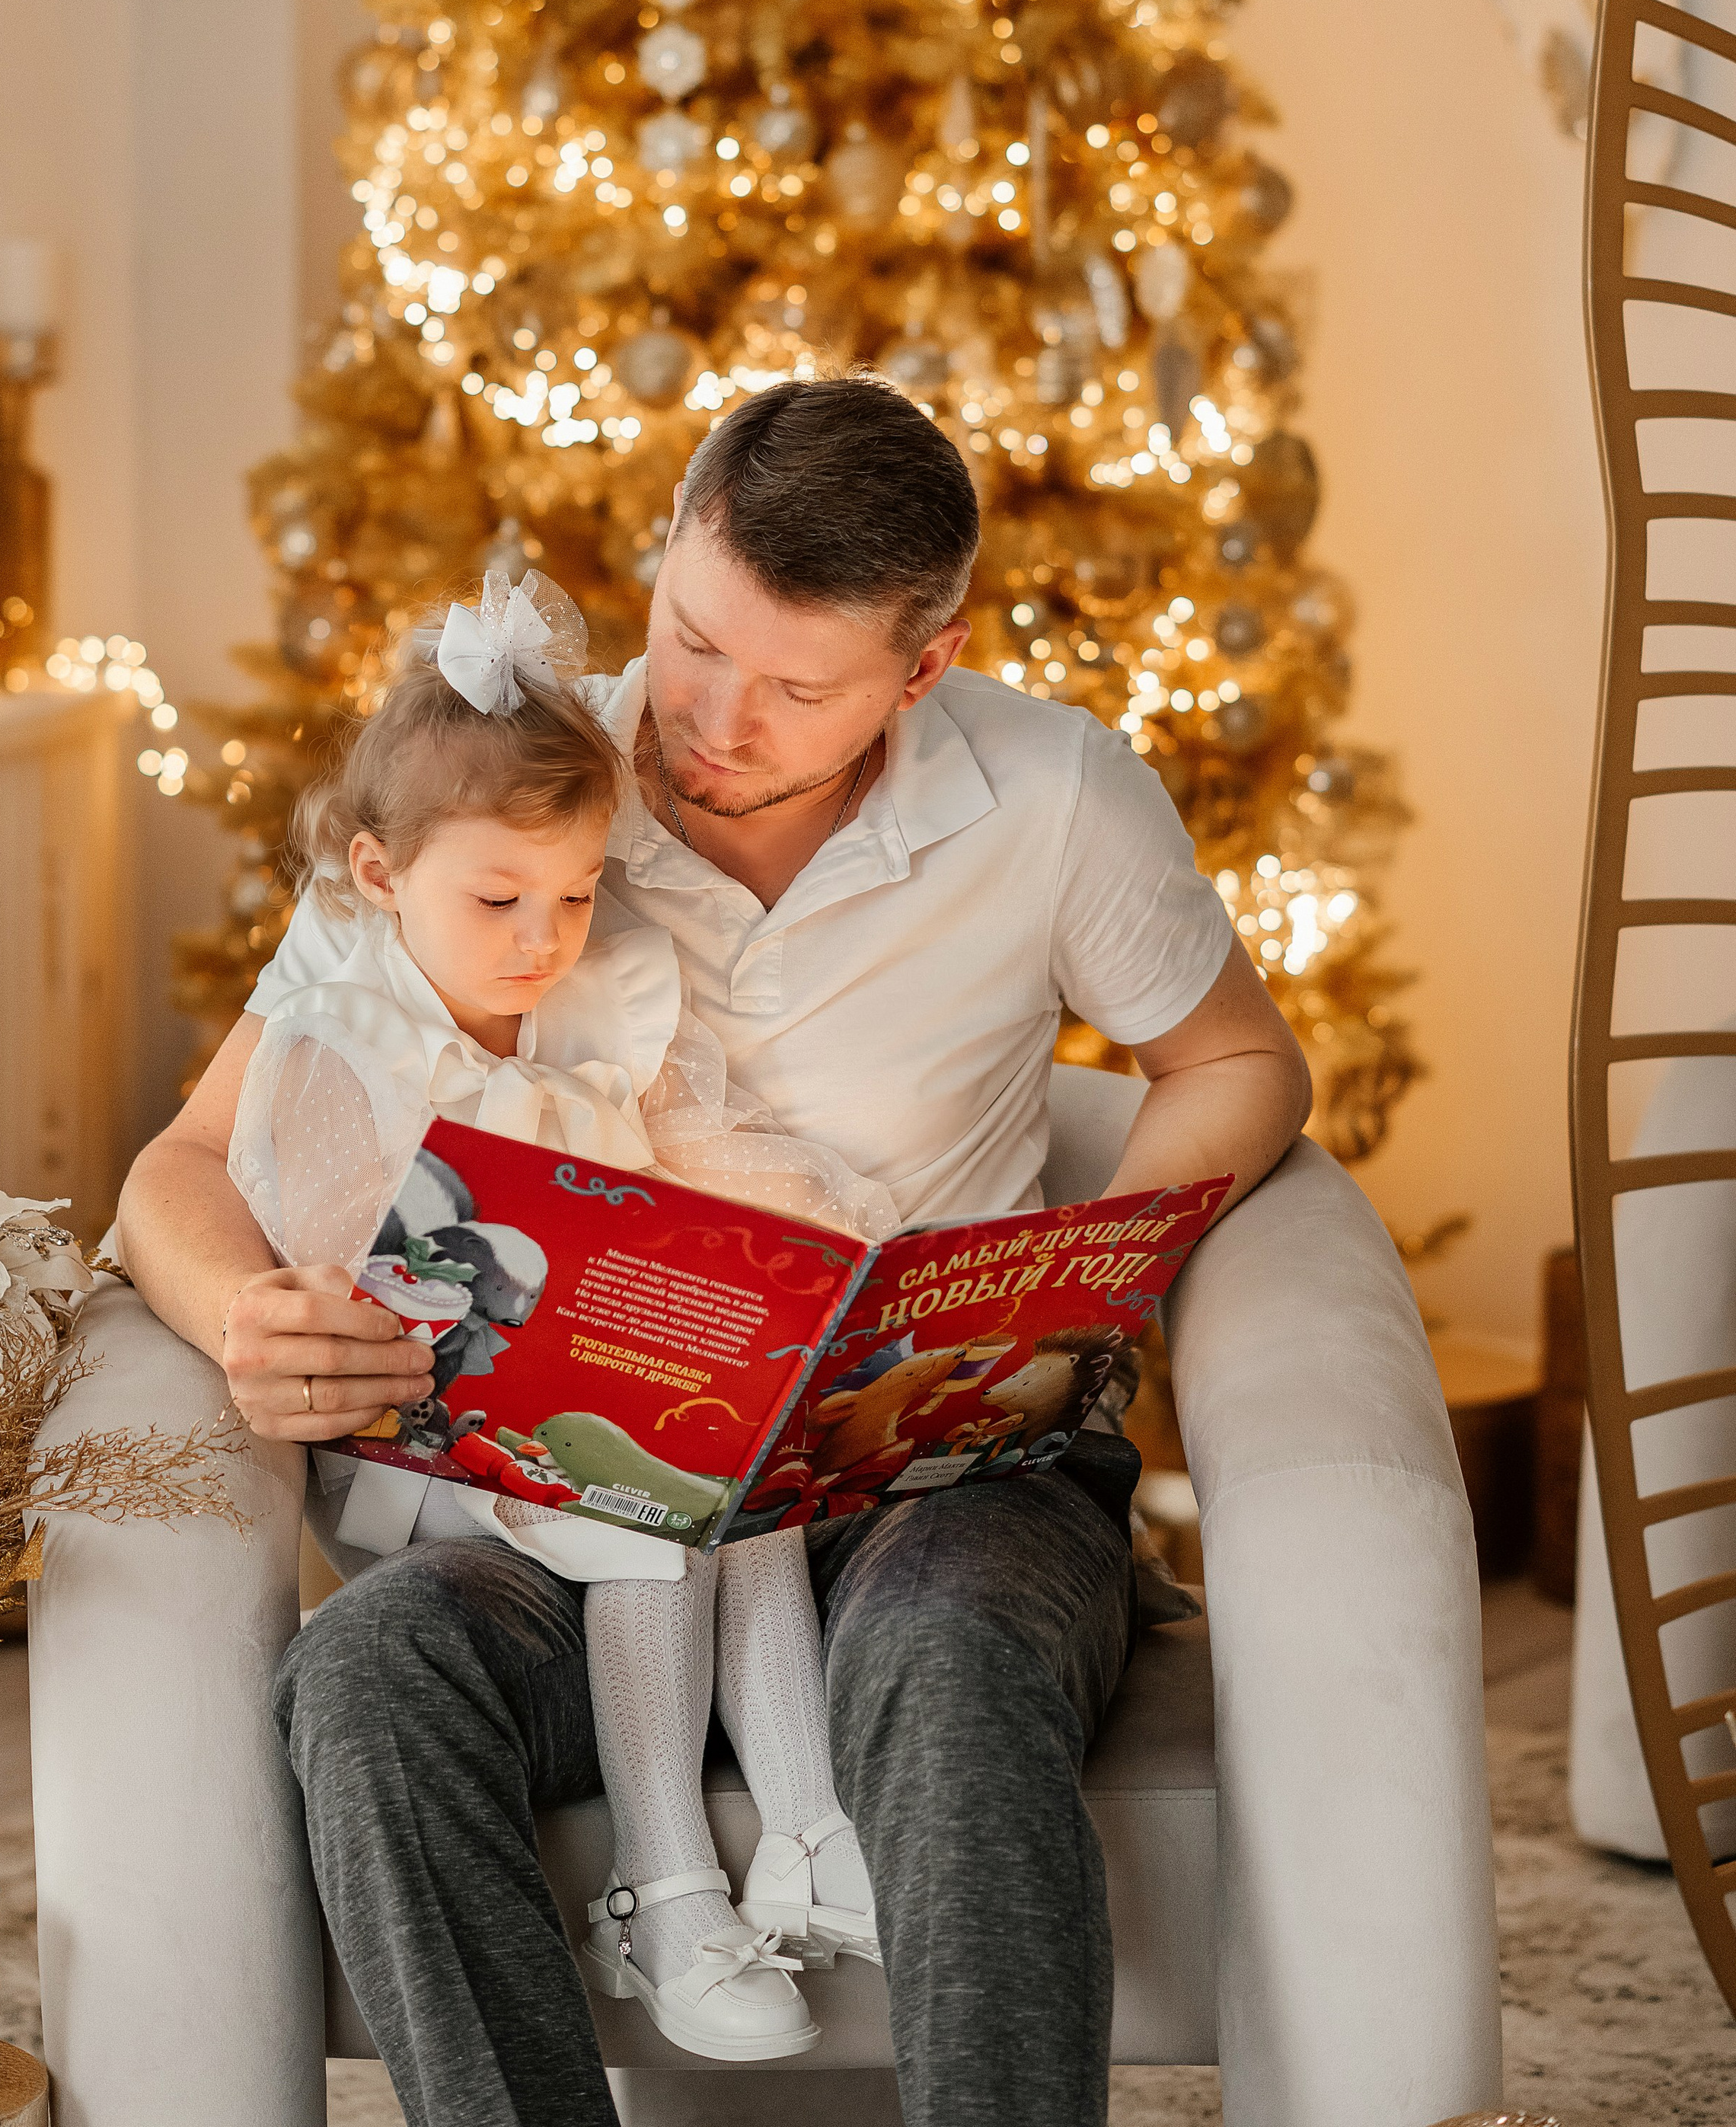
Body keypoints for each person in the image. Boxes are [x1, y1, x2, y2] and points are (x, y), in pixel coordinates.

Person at [118, 372, 1313, 2127]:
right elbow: (187, 1160)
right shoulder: (497, 790)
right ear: (668, 550)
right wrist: (247, 1312)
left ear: (920, 668)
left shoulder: (1053, 796)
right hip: (586, 1507)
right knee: (370, 1678)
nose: (711, 721)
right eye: (690, 643)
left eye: (793, 685)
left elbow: (1238, 1061)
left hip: (936, 1486)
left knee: (952, 1656)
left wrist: (1072, 1265)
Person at [222, 567, 890, 2065]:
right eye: (500, 900)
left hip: (576, 1398)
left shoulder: (590, 997)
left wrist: (795, 1271)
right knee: (656, 1498)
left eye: (577, 895)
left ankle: (805, 1826)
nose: (543, 937)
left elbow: (688, 1165)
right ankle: (666, 1888)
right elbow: (362, 1283)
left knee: (752, 1466)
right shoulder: (344, 1044)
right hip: (426, 1453)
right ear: (383, 876)